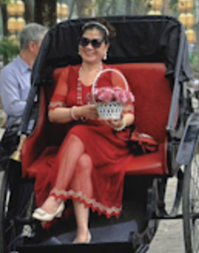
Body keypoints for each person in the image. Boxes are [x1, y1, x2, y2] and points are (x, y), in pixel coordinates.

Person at [31, 20, 136, 244]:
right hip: (76, 143)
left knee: (79, 132)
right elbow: (52, 114)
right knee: (82, 162)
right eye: (84, 42)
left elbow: (129, 114)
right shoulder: (68, 74)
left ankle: (56, 197)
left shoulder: (113, 75)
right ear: (79, 46)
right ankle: (83, 233)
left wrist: (118, 123)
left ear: (105, 48)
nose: (89, 47)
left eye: (96, 43)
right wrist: (78, 111)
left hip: (109, 139)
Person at [0, 23, 47, 119]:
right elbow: (12, 107)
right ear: (32, 46)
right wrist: (43, 105)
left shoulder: (45, 71)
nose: (48, 49)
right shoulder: (9, 73)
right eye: (45, 44)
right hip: (24, 130)